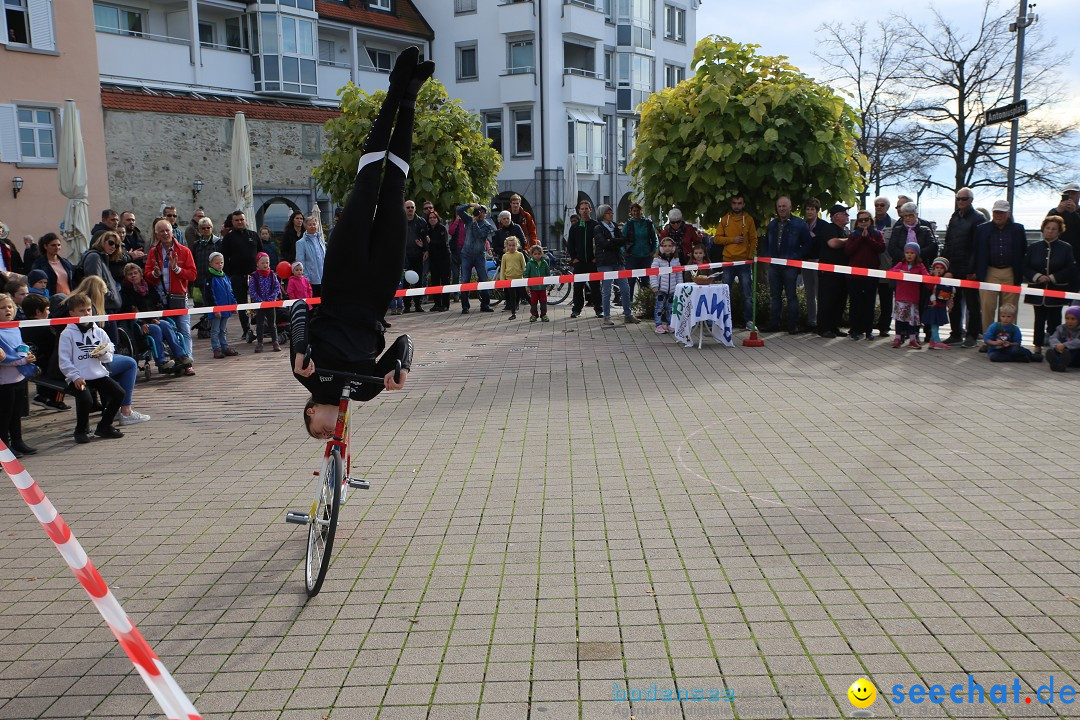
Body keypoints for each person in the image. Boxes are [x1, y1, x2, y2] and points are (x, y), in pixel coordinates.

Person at [289, 46, 429, 440]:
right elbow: (405, 340)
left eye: (316, 431)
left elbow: (300, 307)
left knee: (367, 183)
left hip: (343, 279)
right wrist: (401, 368)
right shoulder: (366, 391)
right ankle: (410, 96)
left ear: (311, 411)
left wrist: (301, 346)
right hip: (377, 293)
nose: (326, 433)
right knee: (395, 187)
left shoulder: (305, 374)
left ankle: (394, 89)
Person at [58, 293, 128, 443]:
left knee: (119, 393)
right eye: (81, 310)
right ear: (72, 314)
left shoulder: (99, 331)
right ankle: (80, 430)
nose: (86, 313)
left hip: (97, 373)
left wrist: (103, 354)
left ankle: (104, 426)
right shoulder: (67, 334)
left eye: (89, 310)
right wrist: (74, 376)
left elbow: (109, 351)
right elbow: (64, 360)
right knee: (86, 400)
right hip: (79, 376)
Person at [145, 217, 197, 375]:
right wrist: (154, 273)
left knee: (184, 330)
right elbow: (147, 275)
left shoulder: (183, 250)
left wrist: (177, 270)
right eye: (161, 231)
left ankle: (188, 362)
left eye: (167, 230)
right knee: (169, 331)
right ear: (157, 234)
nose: (165, 233)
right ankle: (176, 363)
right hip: (161, 299)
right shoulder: (153, 252)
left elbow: (193, 275)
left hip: (179, 297)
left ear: (172, 231)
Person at [973, 200, 1026, 352]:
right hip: (989, 271)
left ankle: (1007, 341)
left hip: (1010, 271)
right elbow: (976, 251)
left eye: (1002, 212)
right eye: (996, 212)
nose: (998, 215)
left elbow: (1022, 251)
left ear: (1008, 213)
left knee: (1009, 310)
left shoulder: (1018, 229)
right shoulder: (982, 229)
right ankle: (988, 341)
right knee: (987, 307)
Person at [1024, 215, 1075, 359]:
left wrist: (1052, 277)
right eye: (1048, 228)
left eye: (1054, 229)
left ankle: (1053, 349)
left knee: (1055, 321)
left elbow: (1070, 268)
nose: (1050, 231)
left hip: (1056, 289)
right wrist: (1037, 276)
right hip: (1038, 289)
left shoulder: (1066, 248)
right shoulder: (1034, 247)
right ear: (1043, 229)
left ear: (1059, 231)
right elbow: (1025, 266)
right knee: (1038, 320)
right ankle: (1037, 348)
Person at [119, 263, 183, 372]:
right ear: (126, 277)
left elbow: (158, 304)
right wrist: (142, 323)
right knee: (156, 329)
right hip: (137, 324)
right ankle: (161, 362)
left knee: (166, 324)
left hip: (154, 319)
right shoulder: (125, 292)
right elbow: (130, 311)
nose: (133, 276)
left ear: (141, 274)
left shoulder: (149, 287)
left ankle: (181, 356)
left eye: (135, 273)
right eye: (130, 274)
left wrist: (156, 318)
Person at [763, 196, 811, 333]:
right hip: (774, 266)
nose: (782, 209)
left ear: (790, 207)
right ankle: (774, 324)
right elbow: (766, 242)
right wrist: (768, 256)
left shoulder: (800, 224)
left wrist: (795, 257)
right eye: (779, 206)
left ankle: (792, 325)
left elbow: (807, 244)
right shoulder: (772, 225)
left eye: (784, 206)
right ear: (777, 208)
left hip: (790, 266)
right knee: (774, 296)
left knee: (791, 296)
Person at [943, 187, 983, 347]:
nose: (960, 201)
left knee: (973, 304)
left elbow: (977, 247)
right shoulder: (954, 217)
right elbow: (948, 242)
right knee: (953, 301)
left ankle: (972, 335)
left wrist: (972, 270)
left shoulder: (978, 219)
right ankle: (956, 333)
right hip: (954, 266)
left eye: (964, 199)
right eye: (958, 198)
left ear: (971, 200)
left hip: (968, 269)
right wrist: (945, 264)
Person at [714, 194, 758, 329]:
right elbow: (716, 239)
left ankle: (749, 321)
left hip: (744, 263)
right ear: (731, 204)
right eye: (734, 203)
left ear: (743, 204)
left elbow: (754, 239)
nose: (737, 205)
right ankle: (722, 320)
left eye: (739, 203)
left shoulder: (749, 219)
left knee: (747, 294)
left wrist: (749, 257)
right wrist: (732, 240)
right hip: (728, 262)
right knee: (724, 294)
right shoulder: (725, 219)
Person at [0, 294, 36, 456]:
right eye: (2, 308)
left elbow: (20, 347)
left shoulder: (15, 327)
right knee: (4, 416)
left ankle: (18, 441)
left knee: (16, 413)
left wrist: (28, 354)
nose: (7, 310)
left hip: (19, 377)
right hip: (4, 381)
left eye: (10, 307)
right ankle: (5, 447)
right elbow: (3, 358)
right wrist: (23, 361)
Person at [844, 209, 886, 341]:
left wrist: (868, 239)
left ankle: (868, 330)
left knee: (869, 303)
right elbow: (848, 251)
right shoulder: (853, 235)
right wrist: (860, 239)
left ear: (871, 220)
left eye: (866, 220)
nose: (863, 222)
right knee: (855, 303)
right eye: (861, 220)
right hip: (854, 276)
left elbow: (881, 248)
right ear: (857, 222)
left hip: (871, 275)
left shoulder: (877, 234)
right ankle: (855, 329)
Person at [220, 210, 263, 340]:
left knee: (258, 303)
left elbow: (261, 254)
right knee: (242, 304)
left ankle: (260, 327)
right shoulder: (228, 238)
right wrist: (230, 274)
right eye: (237, 220)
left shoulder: (254, 235)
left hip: (255, 276)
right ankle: (246, 329)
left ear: (245, 221)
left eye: (241, 219)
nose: (239, 222)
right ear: (232, 222)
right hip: (237, 276)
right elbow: (224, 257)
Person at [594, 204, 637, 327]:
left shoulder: (615, 226)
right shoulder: (598, 228)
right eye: (608, 212)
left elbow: (623, 240)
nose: (611, 214)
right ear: (603, 214)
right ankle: (606, 316)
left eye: (611, 212)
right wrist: (614, 242)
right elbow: (603, 244)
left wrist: (611, 241)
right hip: (604, 262)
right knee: (606, 290)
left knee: (625, 288)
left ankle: (628, 314)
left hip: (618, 260)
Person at [816, 203, 849, 338]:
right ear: (836, 216)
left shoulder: (845, 230)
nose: (847, 216)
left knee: (839, 301)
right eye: (844, 213)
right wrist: (850, 239)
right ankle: (824, 328)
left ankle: (834, 326)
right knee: (827, 301)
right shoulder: (829, 229)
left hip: (842, 272)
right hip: (829, 273)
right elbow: (833, 243)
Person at [457, 203, 496, 314]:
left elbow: (479, 235)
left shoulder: (487, 225)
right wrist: (470, 205)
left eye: (482, 212)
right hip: (466, 255)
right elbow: (458, 210)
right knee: (465, 280)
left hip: (479, 255)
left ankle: (485, 304)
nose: (480, 214)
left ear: (486, 214)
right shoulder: (469, 219)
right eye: (479, 211)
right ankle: (465, 306)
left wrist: (474, 222)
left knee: (483, 279)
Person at [80, 232, 124, 323]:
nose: (113, 247)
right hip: (103, 309)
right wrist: (110, 297)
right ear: (102, 241)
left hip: (107, 309)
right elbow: (95, 284)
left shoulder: (102, 258)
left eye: (116, 245)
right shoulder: (94, 257)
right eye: (111, 243)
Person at [890, 242, 928, 349]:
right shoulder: (901, 264)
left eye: (912, 253)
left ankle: (912, 339)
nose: (909, 255)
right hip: (901, 297)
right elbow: (891, 271)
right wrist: (899, 272)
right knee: (899, 319)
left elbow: (926, 276)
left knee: (912, 320)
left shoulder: (920, 266)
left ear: (917, 254)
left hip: (913, 297)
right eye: (907, 252)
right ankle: (897, 338)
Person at [568, 200, 600, 319]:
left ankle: (598, 309)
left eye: (587, 208)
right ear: (579, 211)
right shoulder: (575, 227)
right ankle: (576, 309)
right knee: (578, 287)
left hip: (592, 262)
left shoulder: (596, 225)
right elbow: (570, 244)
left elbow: (600, 243)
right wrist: (574, 258)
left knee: (596, 287)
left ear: (590, 210)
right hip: (579, 262)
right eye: (582, 209)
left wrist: (597, 258)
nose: (584, 211)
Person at [206, 252, 238, 359]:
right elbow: (210, 294)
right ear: (211, 264)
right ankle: (216, 348)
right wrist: (215, 308)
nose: (220, 265)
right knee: (215, 330)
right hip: (217, 309)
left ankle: (224, 346)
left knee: (223, 329)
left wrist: (233, 304)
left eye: (221, 262)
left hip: (226, 309)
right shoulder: (210, 278)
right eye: (217, 263)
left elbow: (230, 291)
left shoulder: (225, 276)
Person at [623, 203, 658, 298]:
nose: (636, 213)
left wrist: (654, 250)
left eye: (638, 210)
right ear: (631, 212)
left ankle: (646, 303)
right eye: (634, 211)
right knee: (630, 281)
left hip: (646, 256)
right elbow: (622, 240)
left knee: (646, 281)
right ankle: (628, 304)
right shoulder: (628, 224)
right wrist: (624, 251)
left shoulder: (648, 223)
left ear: (641, 211)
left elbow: (655, 239)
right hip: (632, 257)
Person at [800, 198, 825, 331]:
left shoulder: (823, 225)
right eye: (808, 209)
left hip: (818, 263)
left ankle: (822, 321)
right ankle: (811, 321)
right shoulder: (802, 225)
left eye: (812, 209)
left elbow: (823, 244)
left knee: (819, 293)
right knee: (809, 294)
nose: (809, 212)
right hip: (806, 262)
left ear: (817, 211)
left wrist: (813, 237)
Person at [249, 252, 281, 352]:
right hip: (260, 304)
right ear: (257, 264)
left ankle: (275, 342)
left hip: (270, 304)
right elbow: (252, 290)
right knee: (260, 324)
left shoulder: (272, 275)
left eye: (267, 262)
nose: (265, 265)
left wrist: (271, 298)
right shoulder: (254, 276)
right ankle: (259, 343)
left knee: (272, 324)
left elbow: (277, 287)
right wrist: (259, 300)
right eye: (262, 263)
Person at [420, 210, 452, 312]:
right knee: (435, 281)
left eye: (434, 218)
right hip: (433, 259)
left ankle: (445, 304)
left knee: (445, 281)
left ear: (437, 219)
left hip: (444, 258)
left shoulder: (442, 228)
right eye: (430, 218)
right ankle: (437, 304)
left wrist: (431, 241)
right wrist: (424, 247)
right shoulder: (428, 229)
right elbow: (427, 244)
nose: (432, 219)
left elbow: (443, 243)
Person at [923, 258, 955, 349]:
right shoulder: (932, 277)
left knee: (936, 324)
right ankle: (937, 341)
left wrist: (950, 306)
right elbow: (929, 286)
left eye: (941, 268)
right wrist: (935, 278)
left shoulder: (946, 281)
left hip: (941, 306)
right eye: (937, 267)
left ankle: (932, 342)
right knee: (933, 324)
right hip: (932, 306)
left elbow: (950, 296)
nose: (939, 270)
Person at [403, 200, 428, 313]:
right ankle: (407, 306)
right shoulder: (399, 221)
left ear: (415, 208)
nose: (410, 209)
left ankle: (418, 304)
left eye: (412, 207)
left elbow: (426, 239)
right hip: (404, 256)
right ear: (404, 208)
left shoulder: (421, 222)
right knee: (405, 282)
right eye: (407, 207)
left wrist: (424, 248)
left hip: (418, 255)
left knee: (419, 281)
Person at [651, 237, 680, 334]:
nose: (667, 248)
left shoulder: (676, 260)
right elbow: (653, 273)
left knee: (671, 308)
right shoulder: (657, 260)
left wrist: (679, 286)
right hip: (660, 288)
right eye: (665, 246)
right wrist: (654, 285)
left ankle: (670, 324)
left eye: (670, 246)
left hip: (672, 289)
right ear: (661, 248)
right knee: (659, 307)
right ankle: (658, 325)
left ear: (673, 248)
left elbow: (679, 274)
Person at [1047, 183, 1080, 263]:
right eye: (1067, 194)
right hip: (1058, 255)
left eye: (1073, 193)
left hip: (1077, 256)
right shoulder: (1055, 211)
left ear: (1079, 195)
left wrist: (1073, 213)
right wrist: (1058, 211)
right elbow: (1046, 228)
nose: (1070, 196)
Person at [294, 215, 326, 298]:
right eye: (310, 224)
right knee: (313, 304)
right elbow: (300, 262)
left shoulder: (321, 240)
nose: (312, 226)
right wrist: (306, 278)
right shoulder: (301, 243)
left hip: (324, 278)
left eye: (314, 224)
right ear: (305, 226)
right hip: (311, 280)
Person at [499, 236, 526, 320]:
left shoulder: (520, 255)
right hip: (509, 279)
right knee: (512, 295)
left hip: (519, 278)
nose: (511, 247)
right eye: (510, 245)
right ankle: (513, 310)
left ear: (516, 245)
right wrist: (502, 281)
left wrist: (524, 277)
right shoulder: (505, 256)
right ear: (506, 246)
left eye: (513, 245)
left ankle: (518, 305)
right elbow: (503, 268)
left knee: (519, 294)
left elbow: (524, 266)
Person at [1046, 305, 1080, 372]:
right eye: (1067, 318)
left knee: (1072, 347)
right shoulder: (1061, 328)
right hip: (1061, 351)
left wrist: (1065, 345)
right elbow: (1053, 337)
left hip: (1076, 356)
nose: (1069, 321)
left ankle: (1061, 363)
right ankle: (1057, 363)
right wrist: (1057, 345)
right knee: (1057, 345)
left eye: (1073, 319)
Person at [524, 244, 550, 322]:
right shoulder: (529, 264)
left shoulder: (544, 263)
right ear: (532, 255)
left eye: (539, 254)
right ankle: (534, 315)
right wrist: (527, 286)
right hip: (533, 288)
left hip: (542, 288)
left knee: (543, 302)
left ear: (541, 254)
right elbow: (526, 275)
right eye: (535, 254)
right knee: (533, 302)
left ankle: (544, 314)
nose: (537, 256)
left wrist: (549, 284)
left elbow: (548, 274)